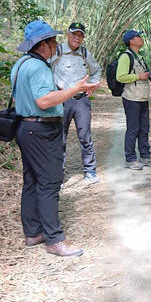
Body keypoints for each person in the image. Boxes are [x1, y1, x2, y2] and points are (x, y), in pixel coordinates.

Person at [11, 20, 99, 257]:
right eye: (52, 42)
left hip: (25, 129)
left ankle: (32, 232)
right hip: (41, 131)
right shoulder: (39, 68)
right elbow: (43, 101)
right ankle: (54, 239)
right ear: (43, 45)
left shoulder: (20, 64)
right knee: (50, 183)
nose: (55, 46)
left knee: (31, 181)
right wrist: (73, 90)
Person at [51, 22, 102, 184]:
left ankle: (90, 170)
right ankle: (58, 173)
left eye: (80, 35)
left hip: (81, 101)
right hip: (61, 100)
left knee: (85, 136)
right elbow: (44, 69)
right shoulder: (57, 51)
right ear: (68, 34)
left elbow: (96, 70)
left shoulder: (85, 53)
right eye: (74, 34)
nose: (77, 38)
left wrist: (92, 86)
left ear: (83, 38)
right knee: (60, 138)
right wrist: (52, 89)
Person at [115, 30, 151, 170]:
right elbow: (120, 77)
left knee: (144, 128)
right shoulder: (125, 57)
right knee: (133, 129)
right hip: (131, 98)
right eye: (138, 36)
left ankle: (145, 156)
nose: (141, 38)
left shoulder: (139, 56)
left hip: (142, 97)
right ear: (131, 41)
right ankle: (130, 159)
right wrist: (138, 76)